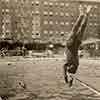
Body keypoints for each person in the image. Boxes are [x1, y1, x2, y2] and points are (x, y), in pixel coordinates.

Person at [63, 6, 92, 87]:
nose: (71, 66)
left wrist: (66, 80)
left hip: (69, 44)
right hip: (76, 45)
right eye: (72, 67)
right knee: (82, 28)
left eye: (69, 67)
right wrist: (71, 82)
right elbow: (72, 76)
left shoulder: (66, 64)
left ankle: (81, 15)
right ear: (74, 67)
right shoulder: (77, 64)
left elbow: (64, 70)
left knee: (75, 28)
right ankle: (86, 14)